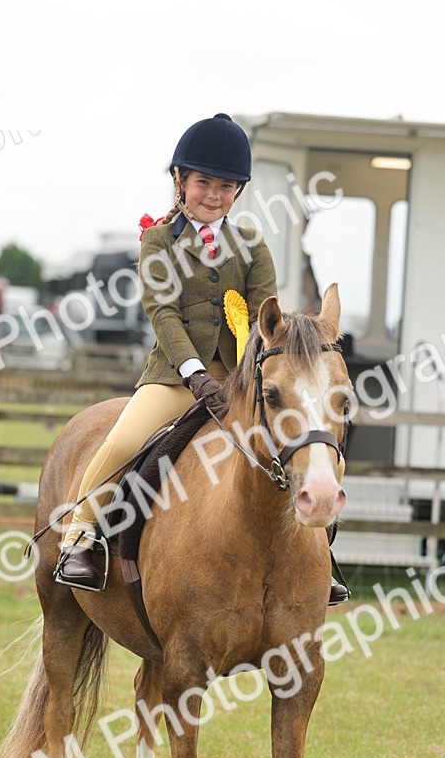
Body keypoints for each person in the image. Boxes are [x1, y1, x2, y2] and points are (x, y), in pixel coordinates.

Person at [55, 112, 349, 603]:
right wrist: (194, 374)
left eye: (226, 186)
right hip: (174, 377)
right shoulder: (157, 241)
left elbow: (264, 316)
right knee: (123, 442)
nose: (214, 195)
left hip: (241, 378)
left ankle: (324, 557)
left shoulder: (251, 244)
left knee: (310, 442)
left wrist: (249, 374)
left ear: (238, 191)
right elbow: (162, 313)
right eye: (203, 183)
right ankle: (80, 536)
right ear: (181, 181)